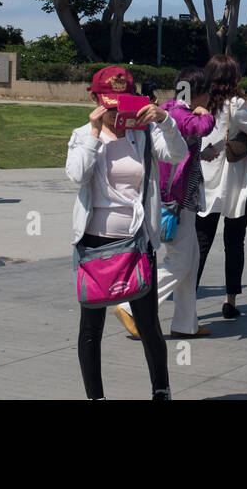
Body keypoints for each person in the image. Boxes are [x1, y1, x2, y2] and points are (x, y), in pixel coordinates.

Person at [66, 65, 187, 400]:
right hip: (95, 244)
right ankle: (96, 396)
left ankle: (161, 391)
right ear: (94, 98)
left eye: (123, 103)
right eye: (109, 103)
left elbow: (177, 154)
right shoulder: (82, 134)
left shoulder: (143, 133)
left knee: (149, 324)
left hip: (137, 242)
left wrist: (165, 120)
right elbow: (77, 175)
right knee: (91, 328)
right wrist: (93, 134)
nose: (116, 111)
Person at [115, 66, 217, 340]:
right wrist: (206, 116)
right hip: (177, 197)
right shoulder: (182, 113)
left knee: (191, 260)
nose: (210, 100)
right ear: (199, 93)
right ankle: (131, 307)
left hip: (184, 196)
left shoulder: (174, 107)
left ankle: (186, 323)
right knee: (180, 261)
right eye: (208, 94)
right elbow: (198, 126)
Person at [194, 54, 247, 320]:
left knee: (201, 242)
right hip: (234, 182)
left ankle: (187, 301)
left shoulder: (200, 101)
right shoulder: (236, 104)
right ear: (233, 78)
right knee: (234, 241)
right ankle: (230, 302)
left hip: (205, 180)